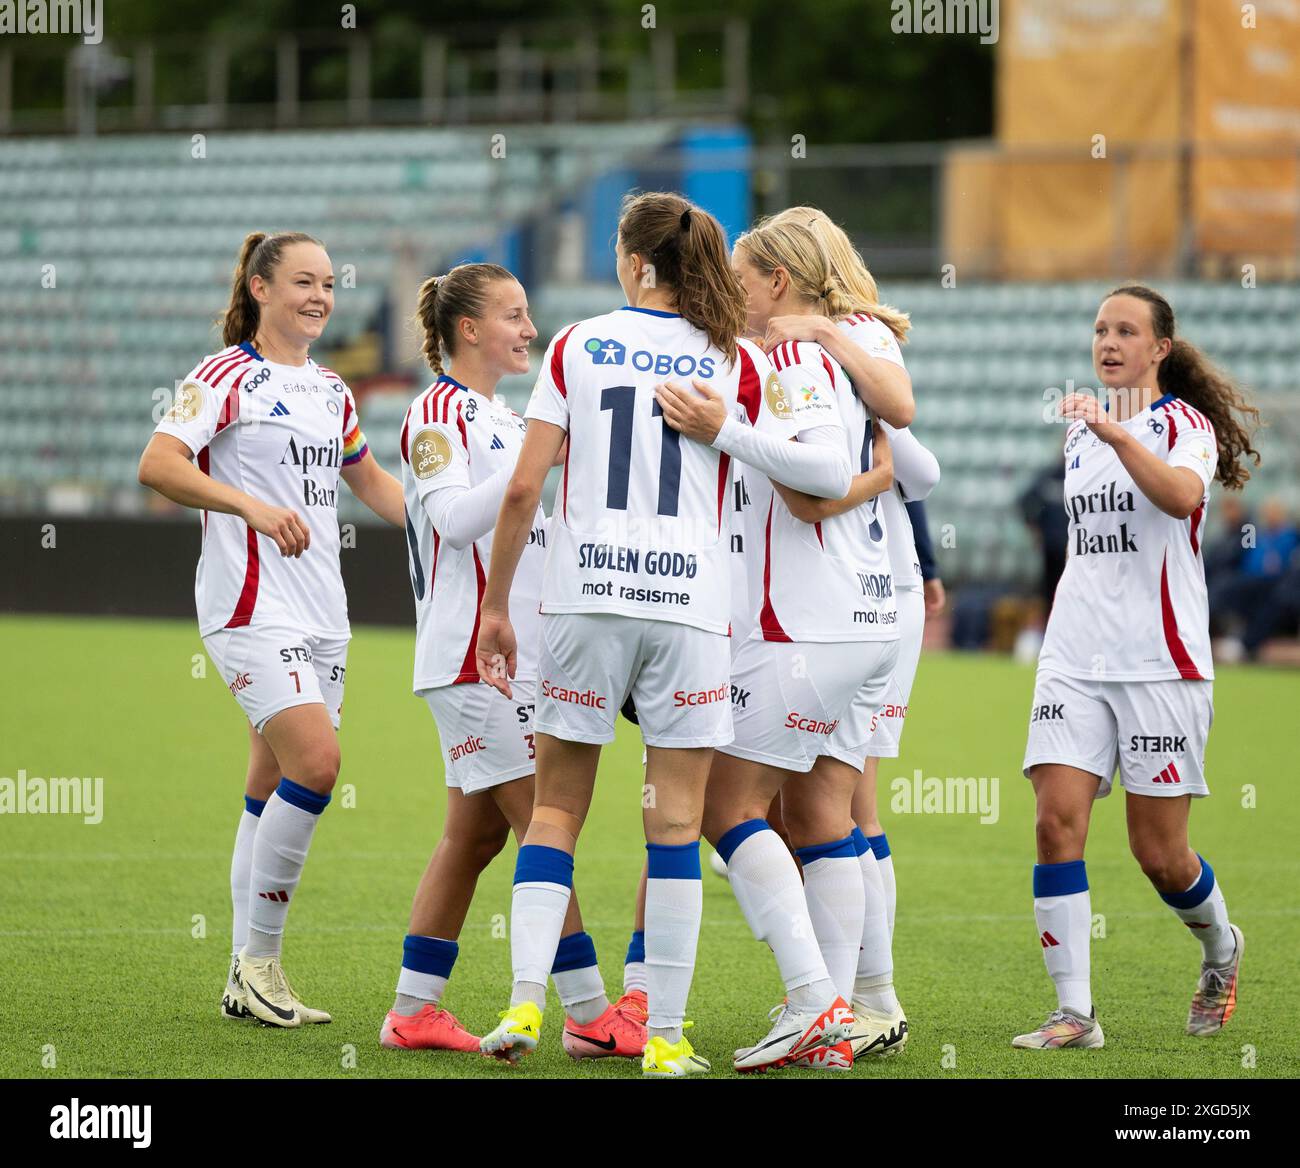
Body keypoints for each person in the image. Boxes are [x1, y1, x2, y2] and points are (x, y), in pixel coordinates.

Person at [473, 192, 853, 1077]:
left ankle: (529, 1004)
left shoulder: (573, 344)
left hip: (586, 600)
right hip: (688, 611)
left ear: (635, 263)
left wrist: (495, 605)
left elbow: (525, 491)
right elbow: (826, 471)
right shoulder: (734, 355)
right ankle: (669, 1039)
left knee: (557, 811)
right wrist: (733, 427)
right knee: (676, 824)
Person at [138, 231, 406, 1026]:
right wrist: (248, 505)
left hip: (324, 613)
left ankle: (241, 976)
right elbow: (158, 462)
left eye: (327, 284)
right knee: (318, 765)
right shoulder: (224, 375)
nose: (320, 297)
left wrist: (453, 526)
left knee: (268, 785)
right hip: (251, 608)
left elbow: (373, 483)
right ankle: (261, 964)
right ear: (259, 288)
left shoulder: (331, 389)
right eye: (302, 282)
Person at [381, 263, 645, 1060]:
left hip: (511, 657)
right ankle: (591, 1012)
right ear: (469, 330)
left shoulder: (500, 416)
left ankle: (413, 1009)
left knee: (475, 837)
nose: (530, 329)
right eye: (513, 315)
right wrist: (532, 465)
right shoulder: (435, 413)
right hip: (471, 659)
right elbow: (455, 520)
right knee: (542, 825)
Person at [658, 215, 900, 1072]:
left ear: (779, 285)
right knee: (818, 815)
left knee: (724, 807)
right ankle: (840, 1017)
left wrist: (718, 428)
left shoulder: (794, 355)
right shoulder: (829, 350)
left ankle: (815, 1002)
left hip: (805, 626)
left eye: (744, 276)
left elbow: (826, 473)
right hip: (858, 621)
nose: (732, 289)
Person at [1016, 283, 1261, 1049]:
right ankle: (1075, 1014)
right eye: (1099, 329)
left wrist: (1119, 434)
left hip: (1161, 664)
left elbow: (1182, 496)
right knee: (1056, 823)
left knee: (1159, 855)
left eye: (1126, 330)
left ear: (1159, 349)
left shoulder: (1180, 425)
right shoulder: (1079, 438)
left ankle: (1221, 948)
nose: (1108, 341)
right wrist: (1102, 430)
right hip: (1073, 659)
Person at [758, 205, 941, 1058]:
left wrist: (830, 339)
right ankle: (856, 999)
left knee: (840, 802)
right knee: (835, 803)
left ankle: (866, 996)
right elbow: (921, 464)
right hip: (868, 591)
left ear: (790, 272)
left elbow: (909, 440)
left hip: (863, 595)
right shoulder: (827, 342)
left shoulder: (850, 333)